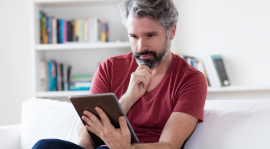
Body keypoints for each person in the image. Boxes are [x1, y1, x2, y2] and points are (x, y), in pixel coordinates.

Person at [32, 0, 207, 149]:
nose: (140, 46)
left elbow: (169, 145)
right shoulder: (109, 68)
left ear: (172, 32)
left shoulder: (191, 79)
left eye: (150, 35)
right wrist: (128, 98)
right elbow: (84, 141)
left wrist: (125, 148)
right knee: (44, 146)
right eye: (134, 36)